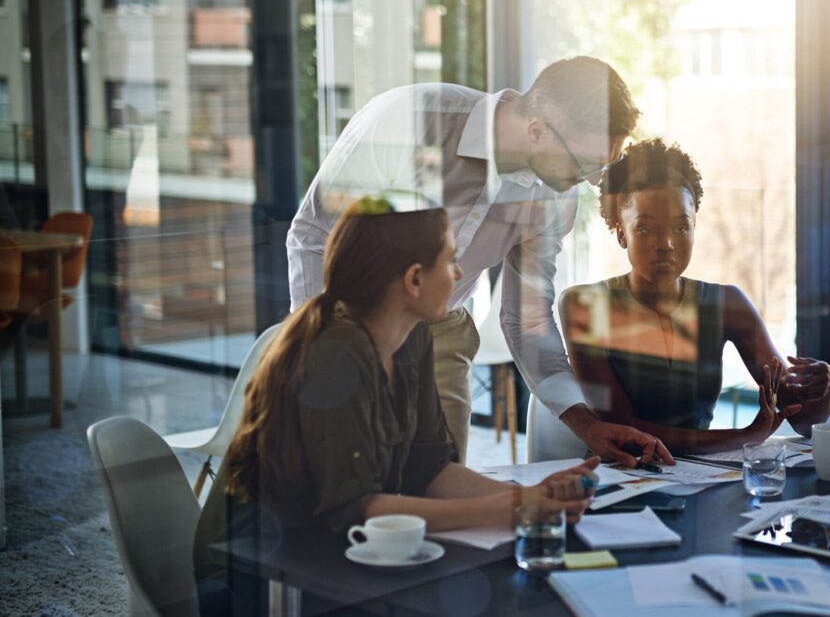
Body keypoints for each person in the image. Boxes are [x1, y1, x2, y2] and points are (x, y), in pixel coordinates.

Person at [194, 199, 599, 601]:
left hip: (329, 562)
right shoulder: (337, 350)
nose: (460, 273)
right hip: (257, 578)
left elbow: (431, 470)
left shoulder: (412, 338)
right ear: (414, 280)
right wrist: (518, 508)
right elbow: (356, 511)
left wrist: (529, 496)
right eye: (450, 260)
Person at [286, 56, 673, 467]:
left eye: (603, 166)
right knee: (344, 474)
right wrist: (325, 345)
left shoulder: (554, 197)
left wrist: (587, 425)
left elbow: (527, 319)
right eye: (587, 165)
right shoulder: (412, 120)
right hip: (350, 319)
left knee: (442, 479)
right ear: (537, 131)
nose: (592, 181)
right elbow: (313, 236)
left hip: (442, 331)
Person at [560, 139, 830, 455]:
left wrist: (823, 389)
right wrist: (745, 437)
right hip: (620, 475)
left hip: (701, 475)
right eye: (646, 229)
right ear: (621, 232)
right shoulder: (584, 306)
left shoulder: (727, 304)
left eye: (680, 228)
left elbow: (802, 421)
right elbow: (626, 432)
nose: (666, 244)